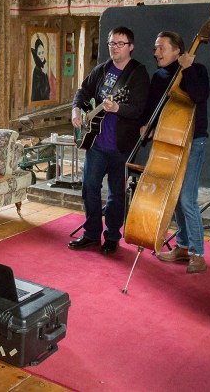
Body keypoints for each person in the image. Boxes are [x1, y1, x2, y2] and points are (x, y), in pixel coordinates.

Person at [70, 27, 149, 254]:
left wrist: (118, 108)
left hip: (121, 146)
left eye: (120, 44)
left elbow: (139, 109)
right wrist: (76, 109)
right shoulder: (102, 69)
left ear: (131, 47)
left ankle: (112, 236)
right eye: (112, 43)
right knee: (89, 188)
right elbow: (83, 91)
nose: (115, 48)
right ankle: (91, 234)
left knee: (116, 194)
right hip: (96, 142)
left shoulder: (138, 74)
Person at [140, 31, 210, 274]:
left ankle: (198, 254)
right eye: (155, 48)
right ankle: (182, 246)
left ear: (178, 50)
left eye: (161, 48)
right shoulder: (159, 76)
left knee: (187, 198)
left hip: (193, 141)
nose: (156, 52)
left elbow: (200, 96)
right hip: (169, 141)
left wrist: (187, 69)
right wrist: (147, 125)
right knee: (175, 195)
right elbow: (153, 107)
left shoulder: (197, 70)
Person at [30, 36, 51, 101]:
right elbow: (42, 93)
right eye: (39, 53)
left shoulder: (43, 67)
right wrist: (43, 75)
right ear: (36, 54)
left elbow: (48, 90)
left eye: (42, 52)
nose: (41, 55)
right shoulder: (37, 70)